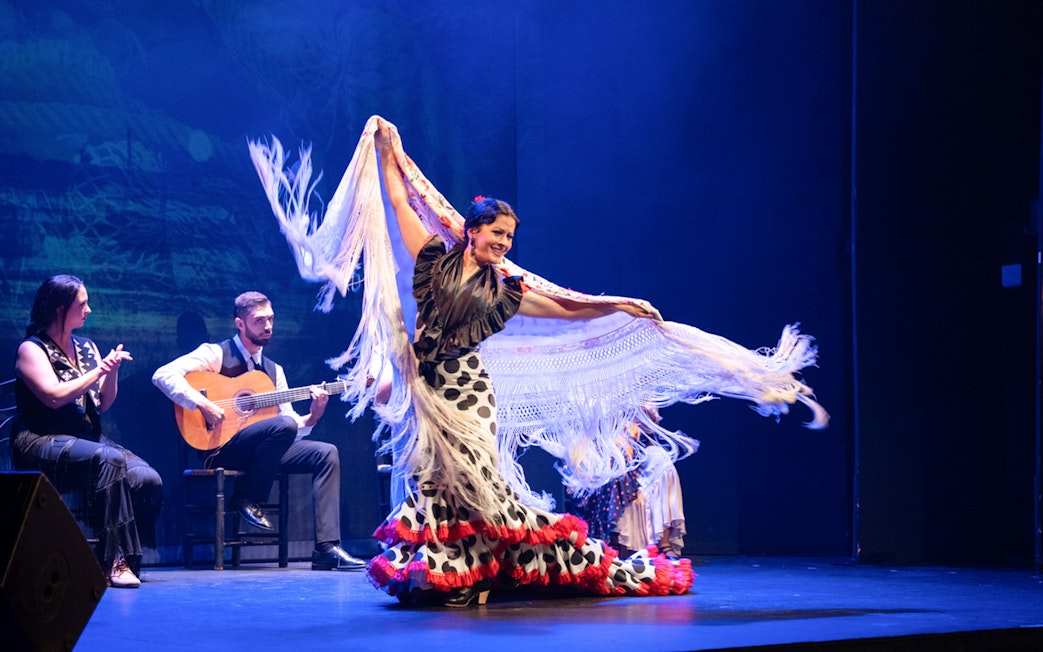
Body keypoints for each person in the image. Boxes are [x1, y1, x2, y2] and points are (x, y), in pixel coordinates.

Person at [248, 115, 828, 605]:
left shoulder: (507, 289)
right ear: (471, 231)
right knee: (436, 481)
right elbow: (400, 200)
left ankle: (475, 570)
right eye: (495, 233)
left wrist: (618, 305)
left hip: (468, 392)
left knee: (473, 481)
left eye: (509, 237)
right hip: (430, 389)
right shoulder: (431, 257)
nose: (503, 243)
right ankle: (462, 569)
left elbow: (569, 307)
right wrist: (386, 148)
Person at [151, 291, 366, 571]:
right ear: (240, 324)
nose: (268, 327)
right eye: (260, 320)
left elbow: (289, 424)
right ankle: (246, 497)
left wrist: (313, 416)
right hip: (222, 449)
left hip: (263, 452)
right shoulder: (215, 354)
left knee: (326, 453)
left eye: (271, 320)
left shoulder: (273, 371)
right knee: (284, 426)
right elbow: (162, 375)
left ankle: (326, 548)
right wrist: (202, 403)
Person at [10, 274, 163, 589]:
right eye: (82, 304)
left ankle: (113, 559)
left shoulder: (86, 347)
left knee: (148, 479)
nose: (89, 310)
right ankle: (114, 562)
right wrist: (99, 370)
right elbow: (53, 397)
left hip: (85, 437)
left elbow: (102, 404)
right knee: (109, 460)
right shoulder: (32, 349)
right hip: (42, 439)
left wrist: (112, 373)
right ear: (59, 310)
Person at [569, 406, 689, 560]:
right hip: (602, 446)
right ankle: (613, 543)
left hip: (636, 449)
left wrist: (638, 414)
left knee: (662, 461)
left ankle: (664, 543)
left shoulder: (635, 390)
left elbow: (650, 423)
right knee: (615, 464)